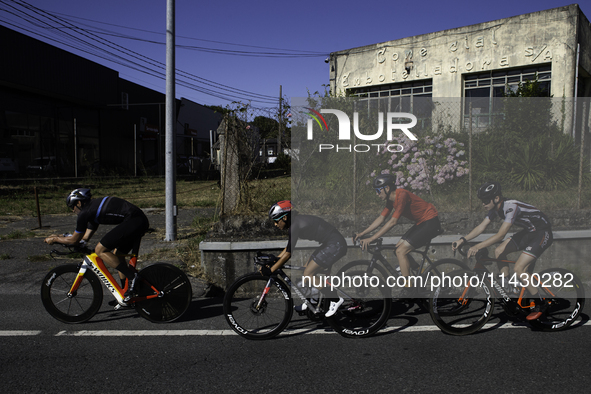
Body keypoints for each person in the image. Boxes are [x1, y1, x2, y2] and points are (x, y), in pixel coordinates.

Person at [451, 181, 553, 321]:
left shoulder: (511, 207)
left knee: (519, 268)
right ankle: (509, 288)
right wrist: (463, 240)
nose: (483, 203)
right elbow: (482, 227)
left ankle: (540, 303)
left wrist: (477, 247)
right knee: (499, 251)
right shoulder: (495, 209)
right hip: (529, 232)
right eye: (482, 200)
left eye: (486, 200)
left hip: (542, 233)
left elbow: (500, 235)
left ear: (497, 198)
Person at [44, 188, 150, 302]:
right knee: (118, 255)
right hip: (138, 221)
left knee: (100, 250)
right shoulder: (92, 211)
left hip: (134, 221)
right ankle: (126, 293)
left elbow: (74, 240)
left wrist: (55, 239)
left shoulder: (85, 212)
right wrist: (61, 236)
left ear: (79, 202)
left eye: (72, 206)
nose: (73, 210)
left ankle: (133, 277)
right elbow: (84, 238)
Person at [353, 174, 442, 285]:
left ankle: (408, 286)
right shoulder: (390, 201)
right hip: (421, 223)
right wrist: (362, 233)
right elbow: (381, 218)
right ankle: (423, 274)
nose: (376, 194)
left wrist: (371, 238)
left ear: (387, 188)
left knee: (401, 251)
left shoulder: (402, 195)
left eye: (378, 190)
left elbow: (393, 222)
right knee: (397, 249)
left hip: (430, 222)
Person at [263, 201, 347, 317]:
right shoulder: (295, 223)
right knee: (306, 269)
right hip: (330, 243)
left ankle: (335, 299)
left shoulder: (294, 226)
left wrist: (272, 269)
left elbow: (288, 254)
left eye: (276, 221)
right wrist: (276, 260)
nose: (275, 225)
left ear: (285, 217)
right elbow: (288, 248)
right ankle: (313, 301)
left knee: (308, 273)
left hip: (336, 244)